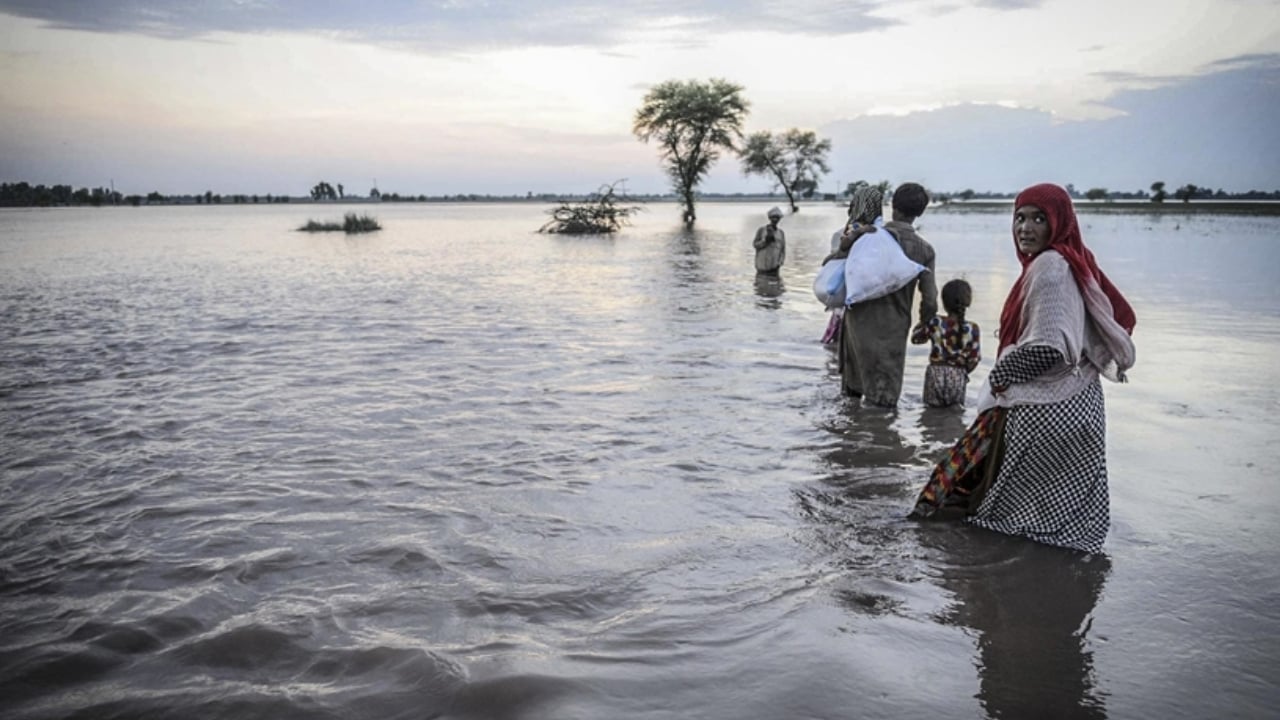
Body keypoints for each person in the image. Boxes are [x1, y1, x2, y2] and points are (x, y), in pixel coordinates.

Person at [908, 182, 1137, 554]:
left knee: (997, 510)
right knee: (1060, 516)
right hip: (1078, 405)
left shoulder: (1050, 267)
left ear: (1059, 223)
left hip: (1045, 409)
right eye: (1019, 218)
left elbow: (1048, 347)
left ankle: (1002, 587)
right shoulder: (1071, 261)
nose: (1025, 228)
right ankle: (1053, 587)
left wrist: (1000, 377)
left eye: (1038, 219)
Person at [831, 183, 937, 406]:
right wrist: (925, 325)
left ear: (892, 205)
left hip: (855, 329)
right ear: (920, 212)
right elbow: (930, 301)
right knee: (882, 404)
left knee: (851, 398)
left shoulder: (866, 236)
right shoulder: (924, 250)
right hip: (892, 332)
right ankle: (882, 440)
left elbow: (835, 262)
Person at [911, 278, 981, 407]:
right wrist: (963, 373)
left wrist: (924, 320)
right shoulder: (973, 328)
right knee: (955, 416)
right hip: (958, 375)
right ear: (968, 302)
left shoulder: (935, 322)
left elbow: (916, 339)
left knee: (930, 414)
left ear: (943, 302)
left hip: (934, 374)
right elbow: (974, 359)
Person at [752, 206, 786, 275]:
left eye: (777, 218)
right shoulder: (761, 230)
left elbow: (783, 250)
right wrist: (765, 241)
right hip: (762, 266)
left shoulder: (781, 233)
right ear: (769, 218)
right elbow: (755, 245)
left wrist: (780, 263)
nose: (775, 219)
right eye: (773, 217)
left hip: (775, 266)